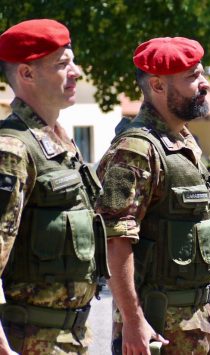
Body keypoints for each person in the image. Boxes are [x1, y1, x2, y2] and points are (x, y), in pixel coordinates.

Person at [97, 37, 210, 354]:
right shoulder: (136, 149)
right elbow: (114, 238)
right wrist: (132, 319)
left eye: (201, 73)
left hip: (196, 322)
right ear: (157, 85)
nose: (204, 84)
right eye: (192, 77)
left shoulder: (182, 142)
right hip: (157, 327)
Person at [0, 19, 109, 354]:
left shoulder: (60, 141)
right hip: (28, 341)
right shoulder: (13, 149)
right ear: (26, 74)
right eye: (63, 64)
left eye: (73, 62)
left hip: (68, 337)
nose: (75, 72)